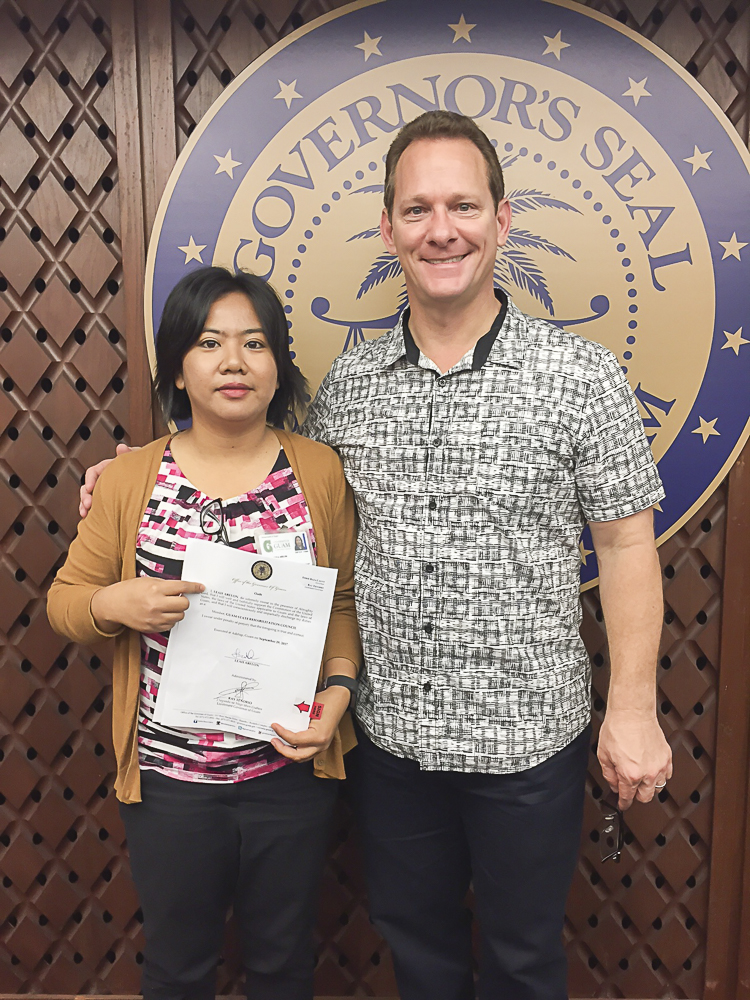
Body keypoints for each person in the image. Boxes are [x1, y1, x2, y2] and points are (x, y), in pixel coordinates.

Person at [79, 112, 672, 1000]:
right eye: (419, 208)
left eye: (464, 205)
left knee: (524, 963)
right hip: (389, 747)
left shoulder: (579, 376)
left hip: (528, 741)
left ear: (503, 221)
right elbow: (260, 475)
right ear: (387, 228)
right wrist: (133, 473)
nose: (443, 229)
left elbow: (627, 543)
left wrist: (633, 708)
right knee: (418, 956)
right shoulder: (350, 386)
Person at [49, 266, 361, 1000]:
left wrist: (339, 696)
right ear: (179, 369)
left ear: (277, 364)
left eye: (254, 343)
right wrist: (114, 603)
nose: (233, 361)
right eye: (209, 342)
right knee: (178, 967)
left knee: (284, 965)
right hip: (168, 784)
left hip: (289, 773)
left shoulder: (316, 470)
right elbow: (67, 603)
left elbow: (340, 603)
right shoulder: (130, 481)